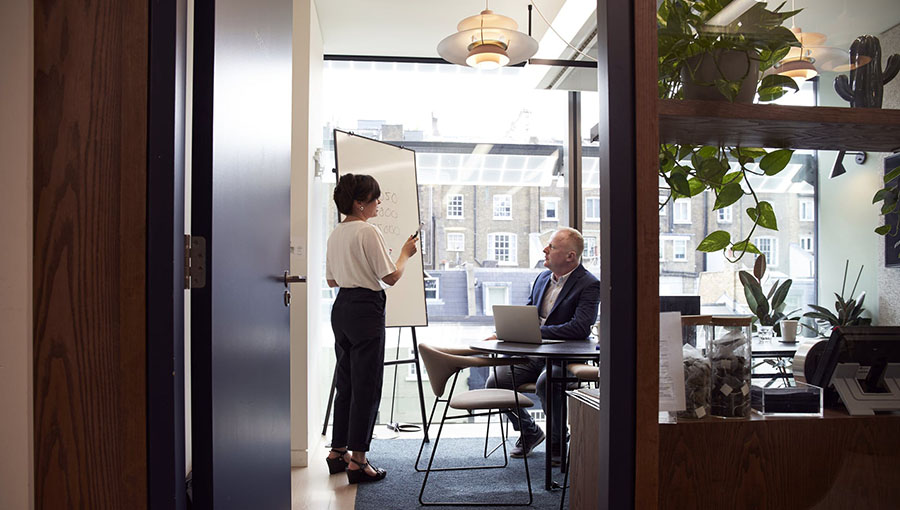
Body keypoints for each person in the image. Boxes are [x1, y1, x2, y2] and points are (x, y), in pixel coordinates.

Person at [324, 173, 418, 484]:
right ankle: (359, 461)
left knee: (347, 381)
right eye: (375, 198)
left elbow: (332, 280)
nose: (378, 203)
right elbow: (390, 277)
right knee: (367, 383)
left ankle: (338, 452)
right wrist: (405, 253)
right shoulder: (368, 231)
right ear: (360, 203)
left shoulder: (336, 233)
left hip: (342, 307)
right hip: (366, 308)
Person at [485, 227, 600, 462]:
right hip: (535, 354)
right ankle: (530, 431)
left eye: (552, 247)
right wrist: (505, 332)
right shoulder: (540, 279)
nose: (545, 250)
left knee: (546, 383)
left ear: (570, 256)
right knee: (496, 381)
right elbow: (528, 315)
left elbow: (579, 328)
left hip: (566, 357)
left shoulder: (589, 284)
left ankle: (558, 441)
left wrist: (536, 332)